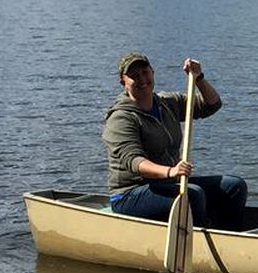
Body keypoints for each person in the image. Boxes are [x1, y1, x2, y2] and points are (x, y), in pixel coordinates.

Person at [102, 52, 248, 230]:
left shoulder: (167, 103)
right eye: (134, 76)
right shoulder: (120, 118)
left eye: (145, 72)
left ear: (153, 72)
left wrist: (198, 78)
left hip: (168, 184)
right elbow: (134, 162)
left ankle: (230, 237)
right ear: (123, 82)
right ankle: (196, 243)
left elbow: (212, 105)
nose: (142, 79)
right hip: (130, 194)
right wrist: (171, 171)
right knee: (193, 195)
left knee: (234, 186)